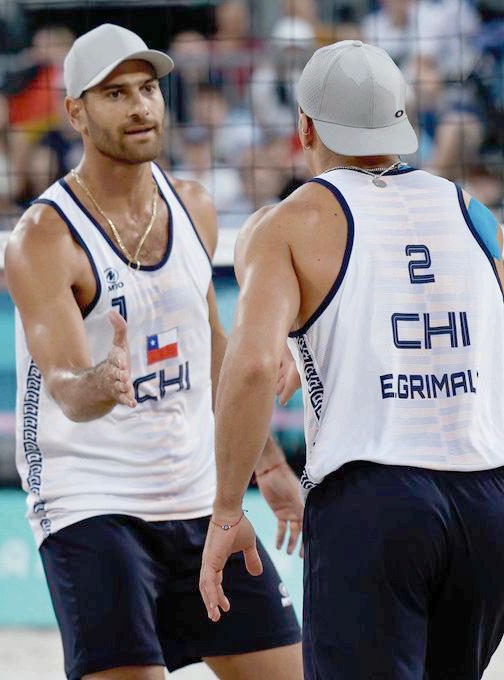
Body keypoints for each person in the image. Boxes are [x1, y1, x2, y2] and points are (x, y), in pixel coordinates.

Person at [5, 23, 303, 680]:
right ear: (76, 112)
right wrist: (101, 382)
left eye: (147, 89)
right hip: (91, 503)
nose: (140, 107)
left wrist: (270, 463)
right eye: (115, 94)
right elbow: (64, 386)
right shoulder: (43, 238)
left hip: (198, 495)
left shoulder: (194, 206)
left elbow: (215, 348)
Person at [200, 40, 504, 680]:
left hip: (375, 497)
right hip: (487, 499)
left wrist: (227, 508)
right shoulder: (477, 215)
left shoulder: (288, 223)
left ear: (305, 128)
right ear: (401, 122)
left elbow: (250, 367)